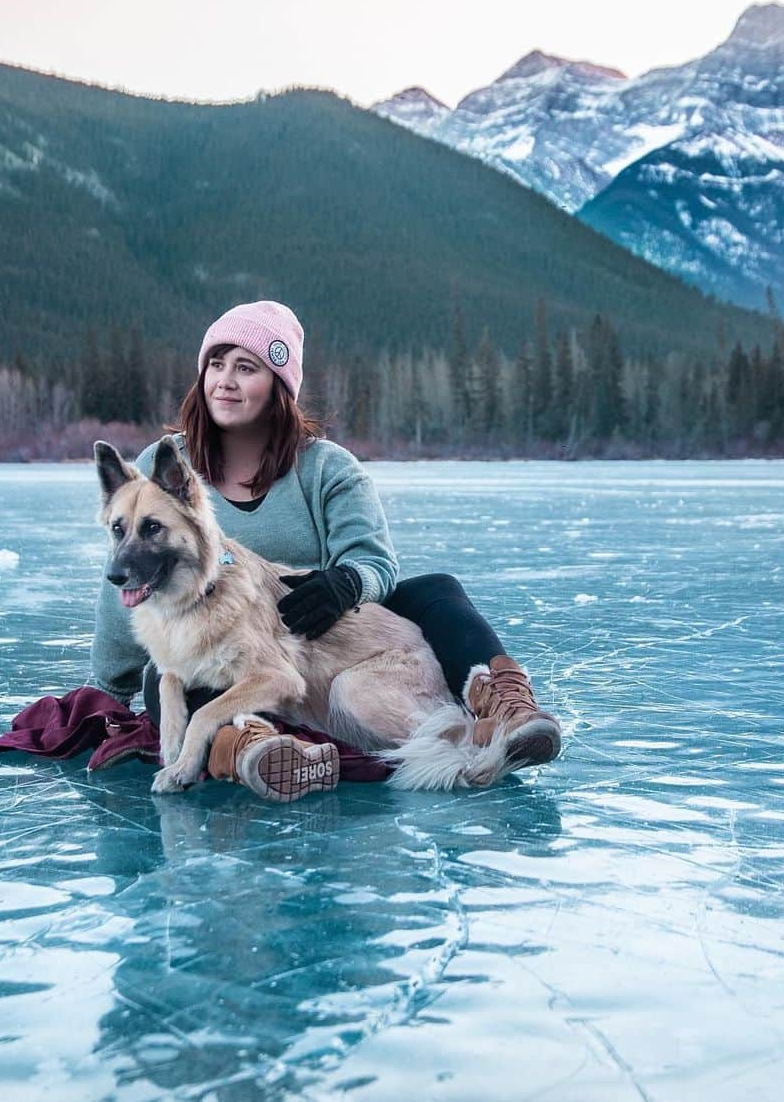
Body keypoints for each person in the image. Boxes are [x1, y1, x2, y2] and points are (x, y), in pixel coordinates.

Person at [90, 300, 562, 802]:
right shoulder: (164, 464)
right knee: (162, 678)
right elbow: (130, 579)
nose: (224, 380)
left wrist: (345, 583)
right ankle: (251, 748)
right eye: (215, 364)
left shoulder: (327, 467)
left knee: (436, 591)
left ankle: (506, 709)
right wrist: (106, 689)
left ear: (279, 386)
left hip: (323, 621)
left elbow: (376, 560)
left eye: (245, 368)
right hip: (223, 623)